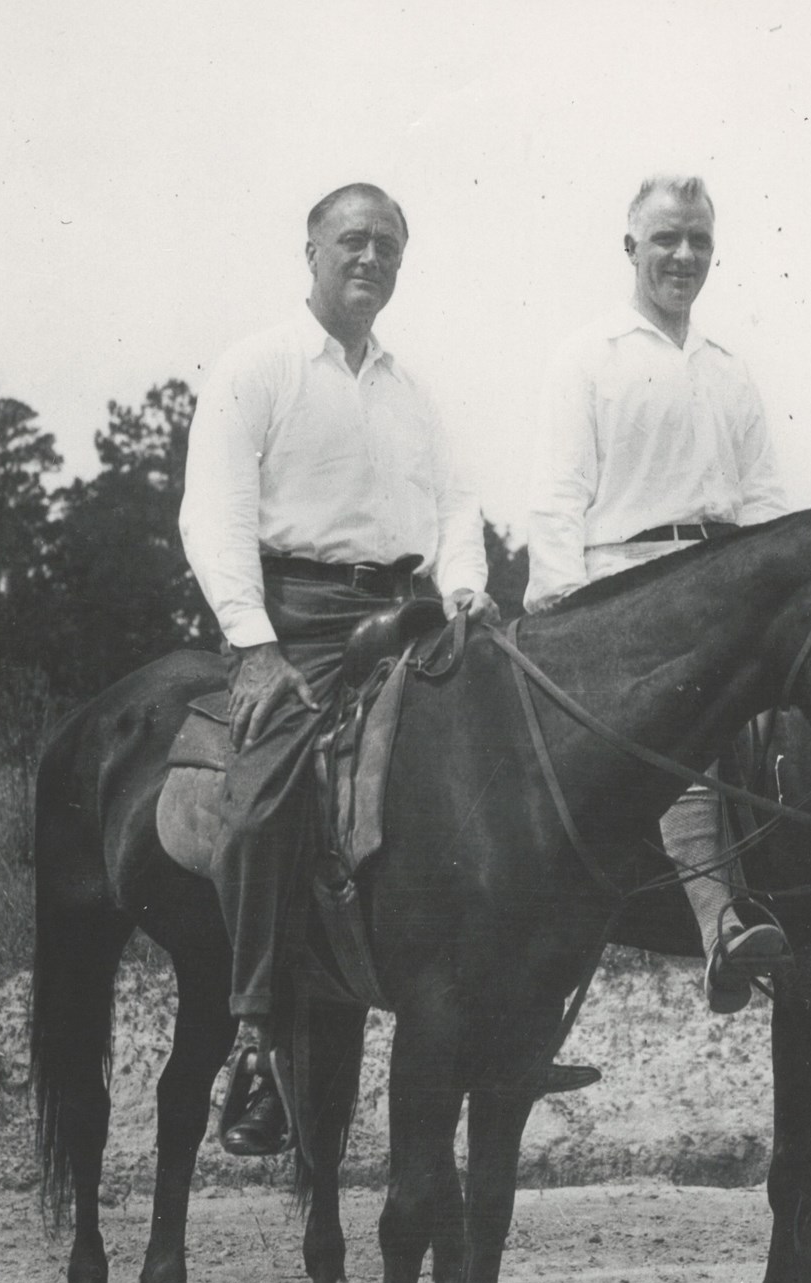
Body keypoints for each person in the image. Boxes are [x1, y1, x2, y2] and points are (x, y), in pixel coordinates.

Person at [180, 182, 497, 1154]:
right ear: (311, 251)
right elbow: (214, 512)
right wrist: (254, 644)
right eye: (353, 240)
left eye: (389, 246)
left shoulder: (413, 390)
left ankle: (507, 1015)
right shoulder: (258, 368)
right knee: (266, 795)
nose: (371, 258)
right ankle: (255, 1033)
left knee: (513, 767)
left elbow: (457, 505)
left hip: (410, 612)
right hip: (302, 618)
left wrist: (466, 590)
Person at [525, 174, 790, 1012]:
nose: (684, 255)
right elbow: (559, 492)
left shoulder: (728, 369)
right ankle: (719, 928)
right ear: (630, 246)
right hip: (627, 593)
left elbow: (764, 502)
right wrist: (563, 604)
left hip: (725, 584)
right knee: (693, 711)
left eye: (699, 240)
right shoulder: (589, 356)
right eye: (667, 238)